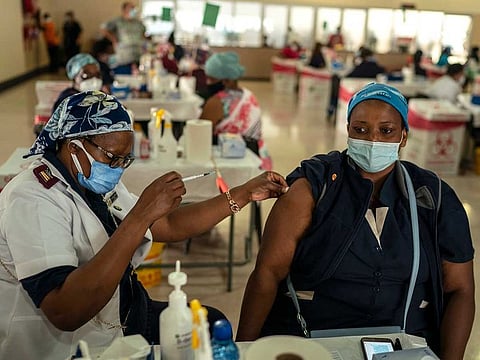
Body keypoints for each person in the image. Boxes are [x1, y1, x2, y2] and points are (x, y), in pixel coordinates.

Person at [0, 90, 288, 359]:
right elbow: (64, 310)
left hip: (125, 310)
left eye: (125, 160)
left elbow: (169, 224)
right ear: (74, 146)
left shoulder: (87, 176)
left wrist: (243, 193)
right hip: (75, 342)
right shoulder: (33, 198)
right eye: (113, 158)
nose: (116, 169)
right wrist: (140, 215)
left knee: (211, 325)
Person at [237, 82, 475, 360]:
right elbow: (267, 274)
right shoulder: (313, 187)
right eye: (360, 129)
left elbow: (460, 289)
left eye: (386, 131)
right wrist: (243, 349)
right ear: (347, 129)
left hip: (403, 343)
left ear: (404, 137)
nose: (373, 140)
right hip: (312, 340)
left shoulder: (433, 196)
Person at [200, 52, 272, 171]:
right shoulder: (249, 95)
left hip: (233, 164)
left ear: (226, 80)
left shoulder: (216, 102)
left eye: (211, 79)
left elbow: (199, 134)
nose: (208, 83)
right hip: (258, 159)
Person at [100, 1, 147, 74]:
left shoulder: (138, 22)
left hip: (138, 55)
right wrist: (113, 39)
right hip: (124, 56)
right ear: (124, 10)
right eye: (131, 8)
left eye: (134, 8)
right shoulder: (118, 21)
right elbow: (103, 28)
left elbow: (144, 32)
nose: (133, 9)